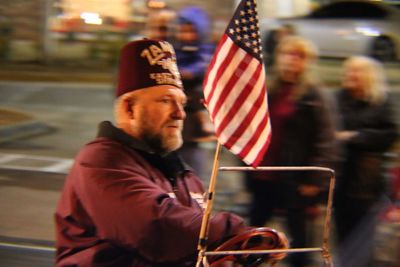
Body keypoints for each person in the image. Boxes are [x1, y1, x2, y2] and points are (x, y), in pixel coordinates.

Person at [54, 39, 288, 267]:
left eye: (182, 103)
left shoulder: (185, 175)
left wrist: (228, 257)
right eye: (166, 101)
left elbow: (196, 246)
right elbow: (154, 227)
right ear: (129, 108)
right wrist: (234, 234)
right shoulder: (100, 161)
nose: (180, 113)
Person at [245, 36, 337, 267]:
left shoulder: (314, 95)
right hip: (263, 175)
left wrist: (314, 179)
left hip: (295, 179)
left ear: (306, 62)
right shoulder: (270, 88)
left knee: (299, 242)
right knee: (252, 236)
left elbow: (325, 140)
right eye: (287, 54)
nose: (291, 61)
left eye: (298, 56)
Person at [333, 56, 397, 267]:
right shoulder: (338, 98)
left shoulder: (381, 101)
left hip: (367, 184)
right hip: (341, 180)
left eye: (356, 71)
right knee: (341, 238)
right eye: (348, 70)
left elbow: (388, 136)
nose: (350, 75)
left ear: (368, 76)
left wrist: (354, 136)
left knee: (363, 241)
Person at [173, 6, 216, 181]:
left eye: (192, 31)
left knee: (194, 178)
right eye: (183, 31)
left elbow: (200, 75)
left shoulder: (205, 54)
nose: (187, 36)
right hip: (173, 128)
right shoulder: (173, 52)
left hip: (196, 132)